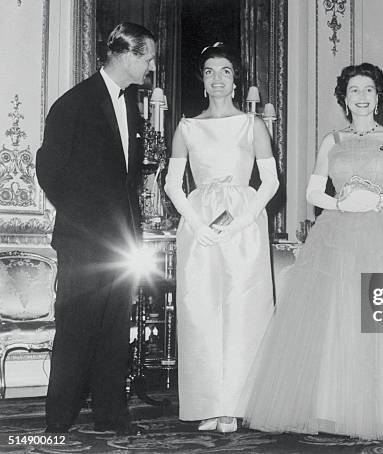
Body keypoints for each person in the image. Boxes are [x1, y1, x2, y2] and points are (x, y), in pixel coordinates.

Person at [241, 63, 383, 442]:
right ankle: (334, 408)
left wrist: (375, 198)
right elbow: (313, 192)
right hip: (336, 235)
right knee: (338, 317)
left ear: (378, 96)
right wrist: (341, 203)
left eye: (368, 90)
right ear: (344, 99)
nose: (362, 97)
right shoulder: (331, 141)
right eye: (354, 91)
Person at [36, 23, 156, 434]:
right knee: (76, 330)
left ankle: (112, 418)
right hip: (83, 243)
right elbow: (48, 170)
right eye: (148, 57)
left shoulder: (129, 104)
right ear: (126, 54)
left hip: (120, 244)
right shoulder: (74, 103)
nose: (152, 66)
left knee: (113, 332)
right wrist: (86, 223)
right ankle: (57, 423)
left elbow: (124, 180)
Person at [164, 42, 278, 433]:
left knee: (243, 310)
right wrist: (198, 226)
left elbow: (270, 181)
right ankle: (209, 403)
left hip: (244, 225)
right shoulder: (187, 127)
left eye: (225, 71)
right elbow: (173, 185)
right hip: (200, 225)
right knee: (201, 312)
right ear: (203, 78)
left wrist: (240, 221)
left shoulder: (252, 124)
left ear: (235, 78)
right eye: (210, 71)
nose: (217, 78)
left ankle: (236, 404)